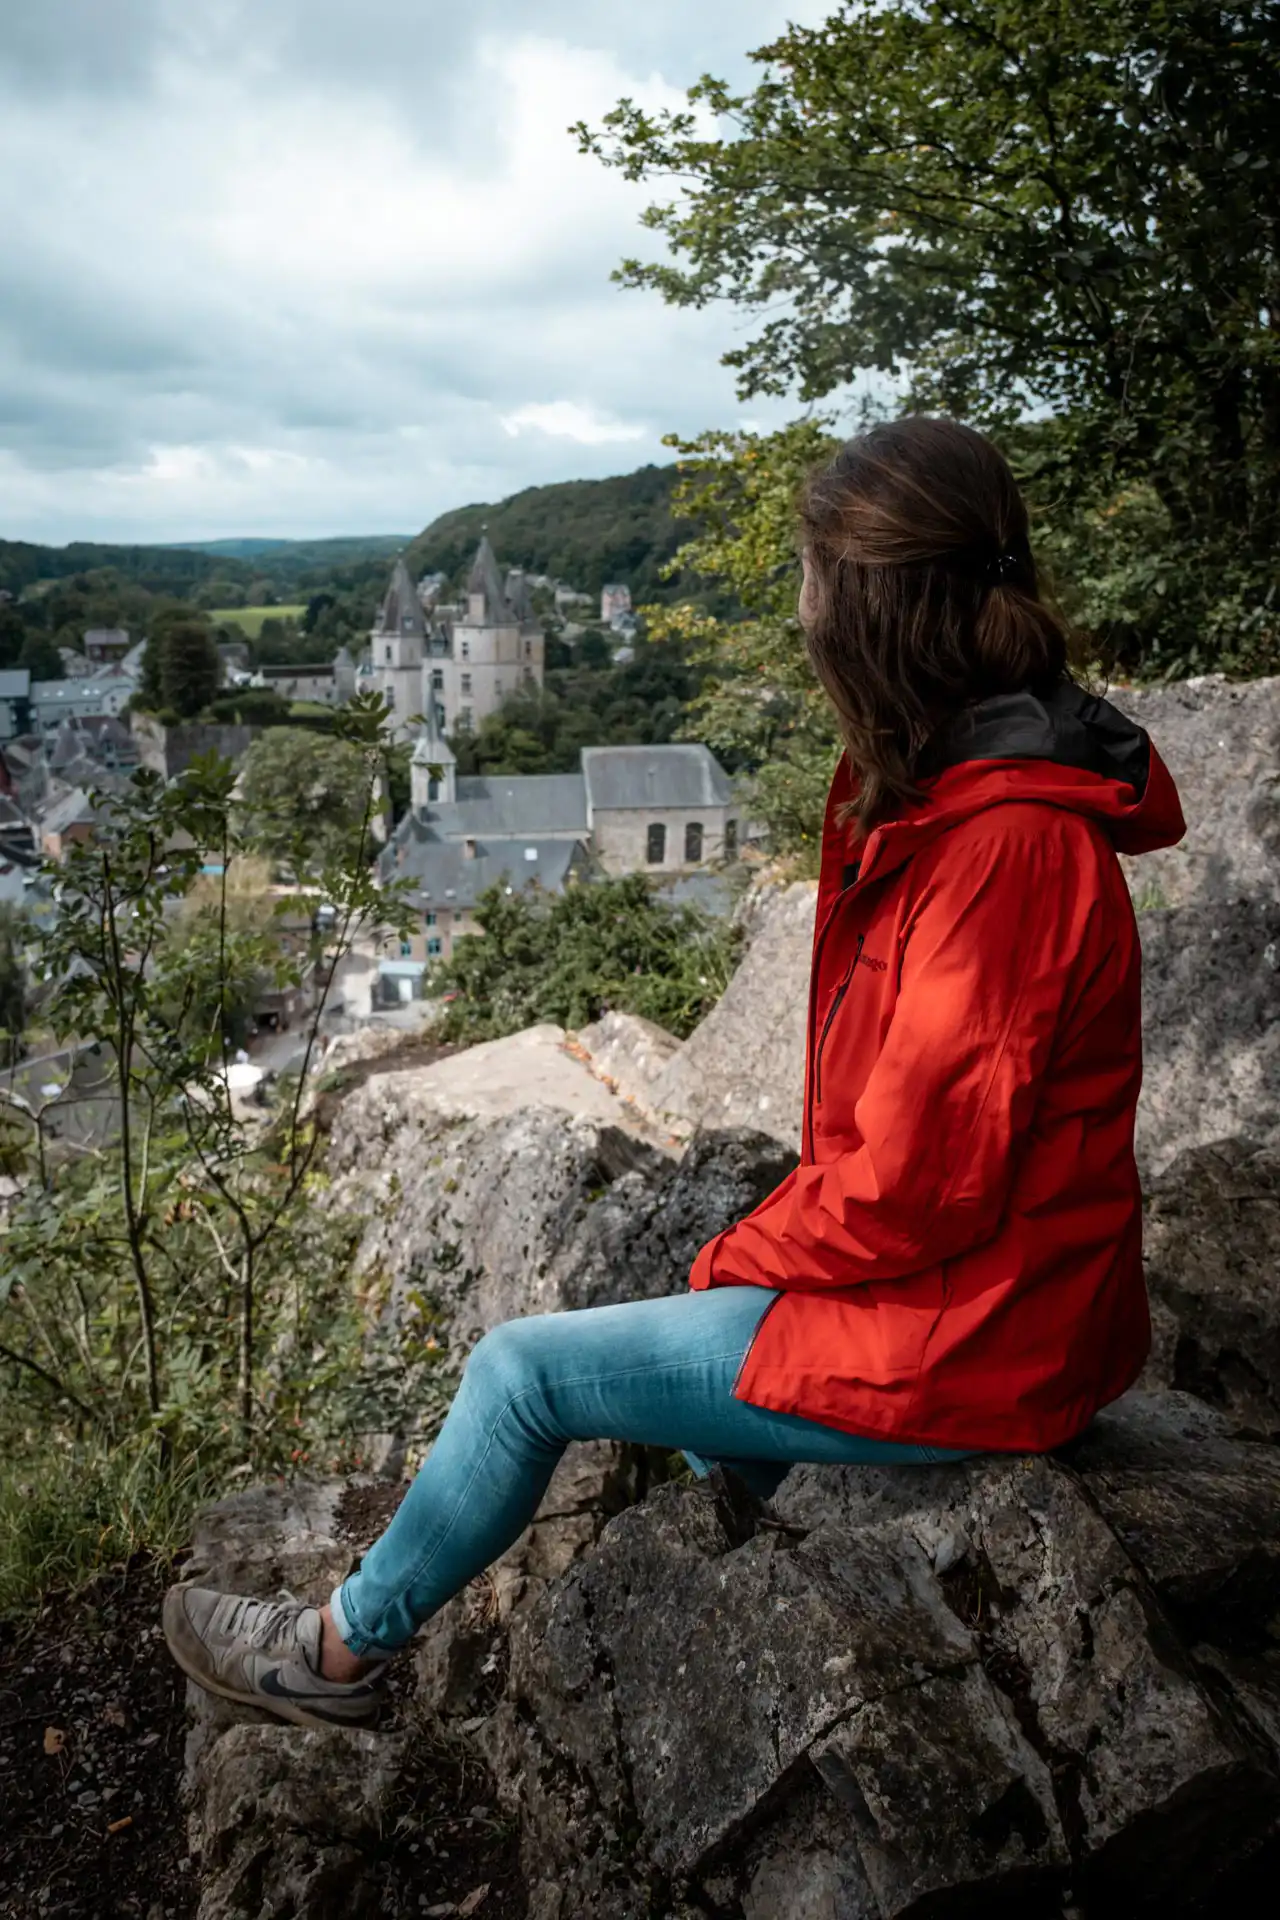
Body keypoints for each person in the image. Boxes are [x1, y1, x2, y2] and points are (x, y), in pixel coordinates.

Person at [163, 417, 1185, 1730]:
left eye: (815, 579)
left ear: (872, 612)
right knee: (702, 1349)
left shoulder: (1005, 848)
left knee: (522, 1375)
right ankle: (817, 1565)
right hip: (992, 1306)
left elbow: (916, 1191)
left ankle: (330, 1653)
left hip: (982, 1335)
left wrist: (743, 1258)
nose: (803, 609)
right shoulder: (973, 787)